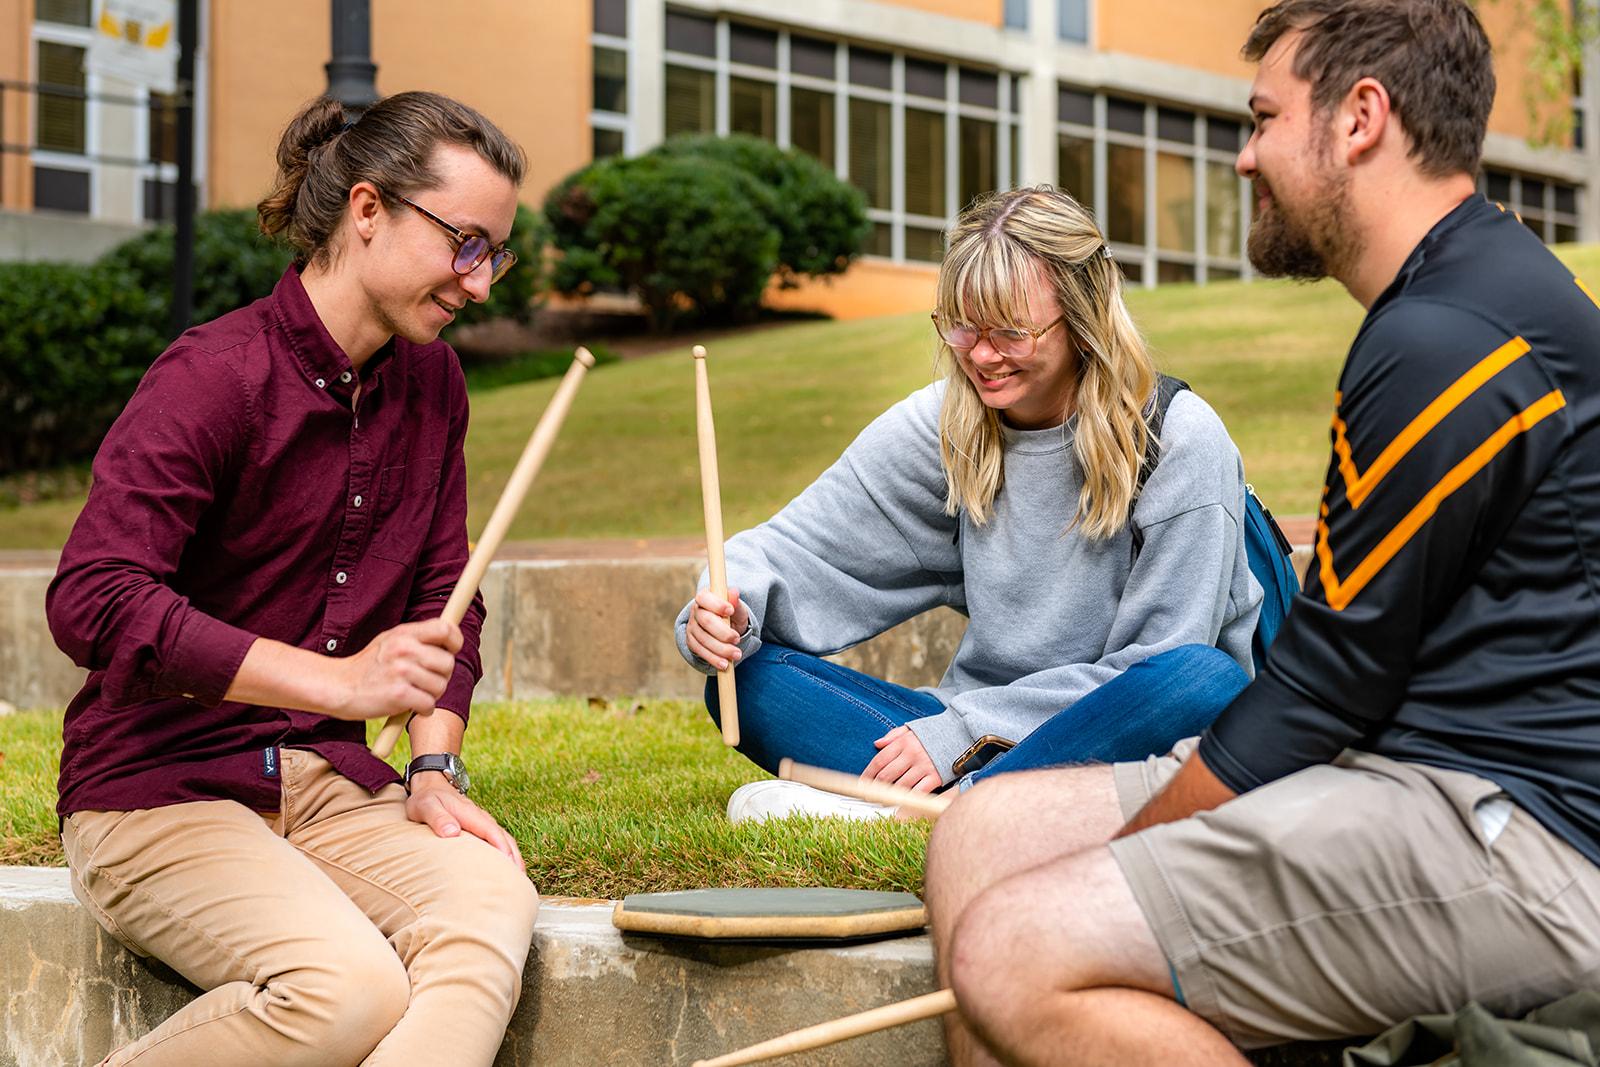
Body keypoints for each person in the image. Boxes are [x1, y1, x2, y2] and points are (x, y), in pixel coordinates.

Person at [924, 2, 1600, 1064]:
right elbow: (1349, 670)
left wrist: (1128, 857)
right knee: (982, 830)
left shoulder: (1447, 337)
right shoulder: (1447, 304)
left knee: (1013, 944)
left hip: (1529, 839)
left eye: (1262, 117)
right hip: (1407, 773)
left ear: (1359, 118)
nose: (1243, 158)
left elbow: (1321, 685)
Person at [46, 92, 538, 1067]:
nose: (479, 284)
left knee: (489, 905)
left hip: (325, 783)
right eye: (465, 243)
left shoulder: (432, 382)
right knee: (346, 988)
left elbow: (449, 590)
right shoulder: (212, 376)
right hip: (154, 789)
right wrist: (335, 682)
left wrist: (435, 761)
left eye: (494, 253)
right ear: (367, 211)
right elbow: (94, 596)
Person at [675, 186, 1263, 820]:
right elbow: (792, 550)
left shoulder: (1179, 440)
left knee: (1204, 681)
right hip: (964, 737)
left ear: (1084, 320)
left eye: (1009, 331)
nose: (982, 357)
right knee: (751, 684)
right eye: (962, 327)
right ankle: (959, 809)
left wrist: (963, 732)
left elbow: (1162, 668)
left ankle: (937, 811)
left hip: (1121, 732)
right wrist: (725, 608)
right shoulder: (944, 428)